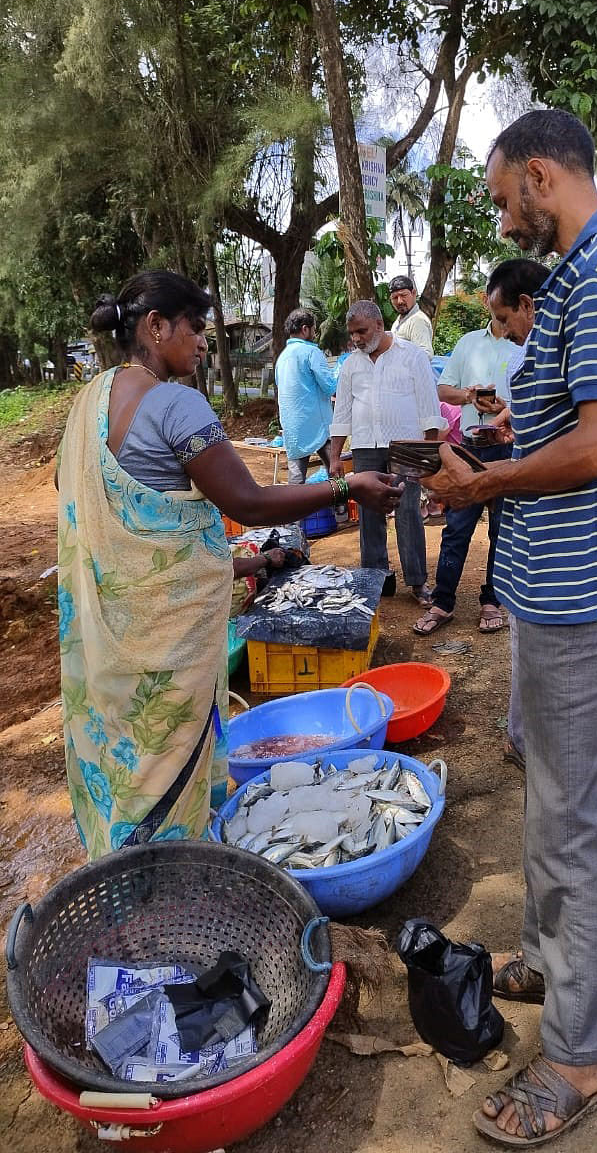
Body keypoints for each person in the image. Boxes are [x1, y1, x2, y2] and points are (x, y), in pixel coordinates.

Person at [424, 109, 597, 1146]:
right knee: (551, 807)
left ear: (536, 176)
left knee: (573, 825)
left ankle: (582, 1053)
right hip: (551, 585)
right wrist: (506, 433)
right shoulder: (578, 276)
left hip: (582, 594)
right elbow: (572, 415)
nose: (502, 217)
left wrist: (492, 475)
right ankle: (548, 957)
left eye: (499, 199)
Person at [56, 270, 402, 860]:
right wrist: (347, 487)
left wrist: (251, 562)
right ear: (155, 326)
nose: (201, 342)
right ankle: (174, 880)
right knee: (169, 766)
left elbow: (104, 517)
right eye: (193, 327)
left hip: (111, 639)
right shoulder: (175, 403)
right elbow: (247, 500)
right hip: (167, 645)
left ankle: (125, 870)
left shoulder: (88, 402)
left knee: (129, 761)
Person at [414, 267, 547, 637]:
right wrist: (471, 396)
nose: (503, 326)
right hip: (473, 446)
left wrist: (510, 409)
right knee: (457, 527)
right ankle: (443, 601)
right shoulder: (469, 343)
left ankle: (493, 599)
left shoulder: (532, 342)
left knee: (503, 530)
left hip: (514, 447)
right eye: (497, 315)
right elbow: (443, 390)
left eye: (504, 316)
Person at [476, 258, 551, 767]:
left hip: (547, 522)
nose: (502, 330)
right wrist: (514, 431)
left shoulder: (550, 353)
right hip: (531, 520)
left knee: (538, 645)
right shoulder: (536, 354)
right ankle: (521, 737)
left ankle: (530, 741)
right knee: (525, 638)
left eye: (504, 318)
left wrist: (490, 477)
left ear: (527, 306)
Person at [329, 299, 443, 602]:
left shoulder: (412, 356)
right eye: (353, 333)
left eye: (362, 331)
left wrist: (429, 453)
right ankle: (375, 579)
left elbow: (429, 407)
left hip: (405, 446)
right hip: (366, 445)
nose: (357, 339)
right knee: (369, 514)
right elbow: (342, 412)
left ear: (379, 325)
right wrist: (335, 455)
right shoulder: (351, 364)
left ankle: (418, 582)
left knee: (408, 512)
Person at [274, 308, 336, 484]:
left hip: (292, 428)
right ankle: (340, 511)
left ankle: (295, 511)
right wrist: (340, 372)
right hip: (318, 425)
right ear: (305, 329)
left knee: (296, 480)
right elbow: (330, 386)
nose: (315, 333)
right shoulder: (311, 353)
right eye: (314, 329)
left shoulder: (282, 358)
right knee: (335, 472)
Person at [388, 274, 434, 356]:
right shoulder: (399, 321)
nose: (399, 301)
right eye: (395, 297)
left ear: (414, 293)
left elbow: (426, 355)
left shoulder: (417, 320)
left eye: (403, 295)